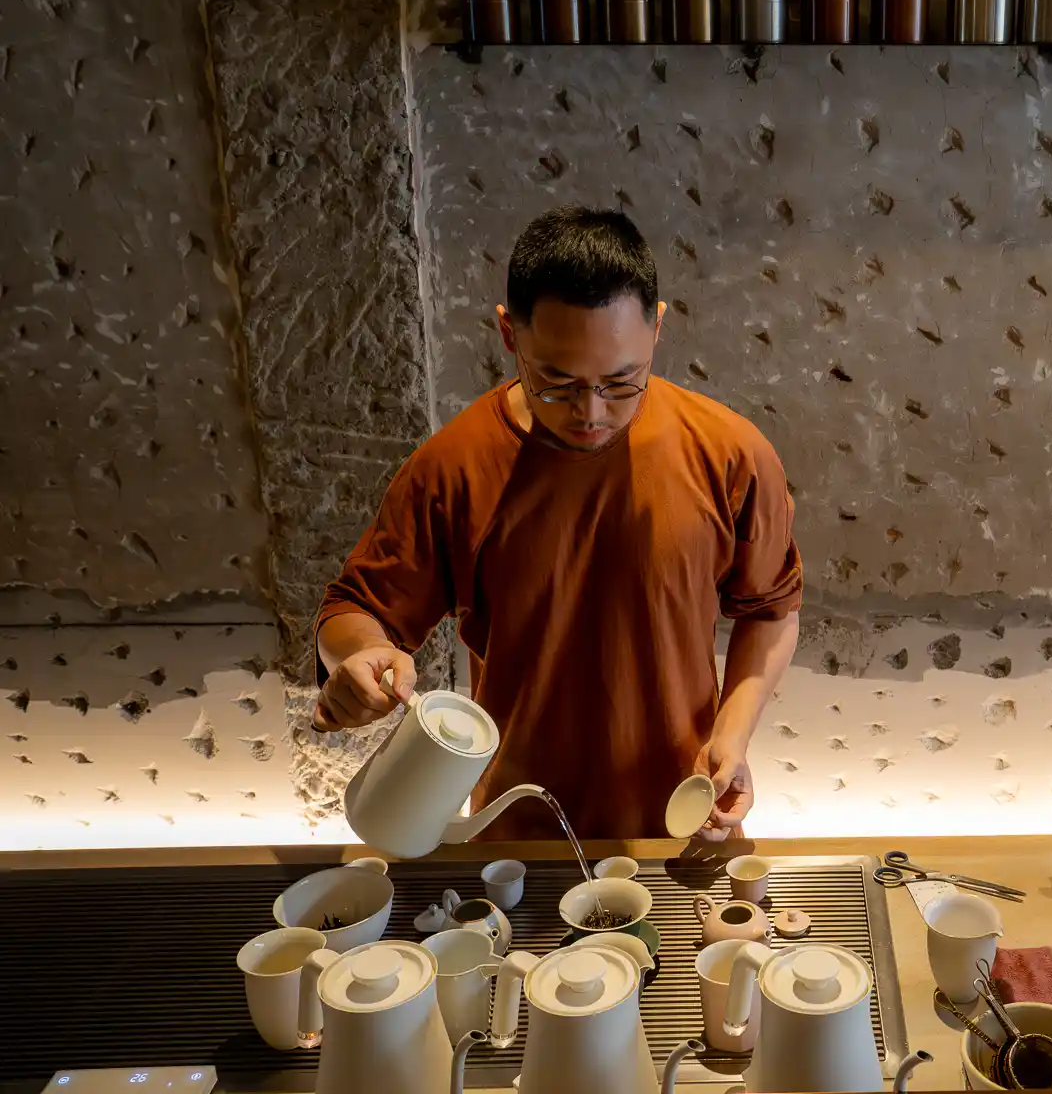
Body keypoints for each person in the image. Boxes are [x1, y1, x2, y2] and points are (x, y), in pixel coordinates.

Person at [313, 206, 802, 841]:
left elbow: (771, 609)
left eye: (622, 381)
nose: (592, 411)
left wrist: (731, 738)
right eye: (558, 382)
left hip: (683, 822)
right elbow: (352, 609)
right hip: (518, 836)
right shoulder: (454, 467)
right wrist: (362, 653)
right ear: (509, 334)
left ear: (657, 328)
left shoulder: (730, 454)